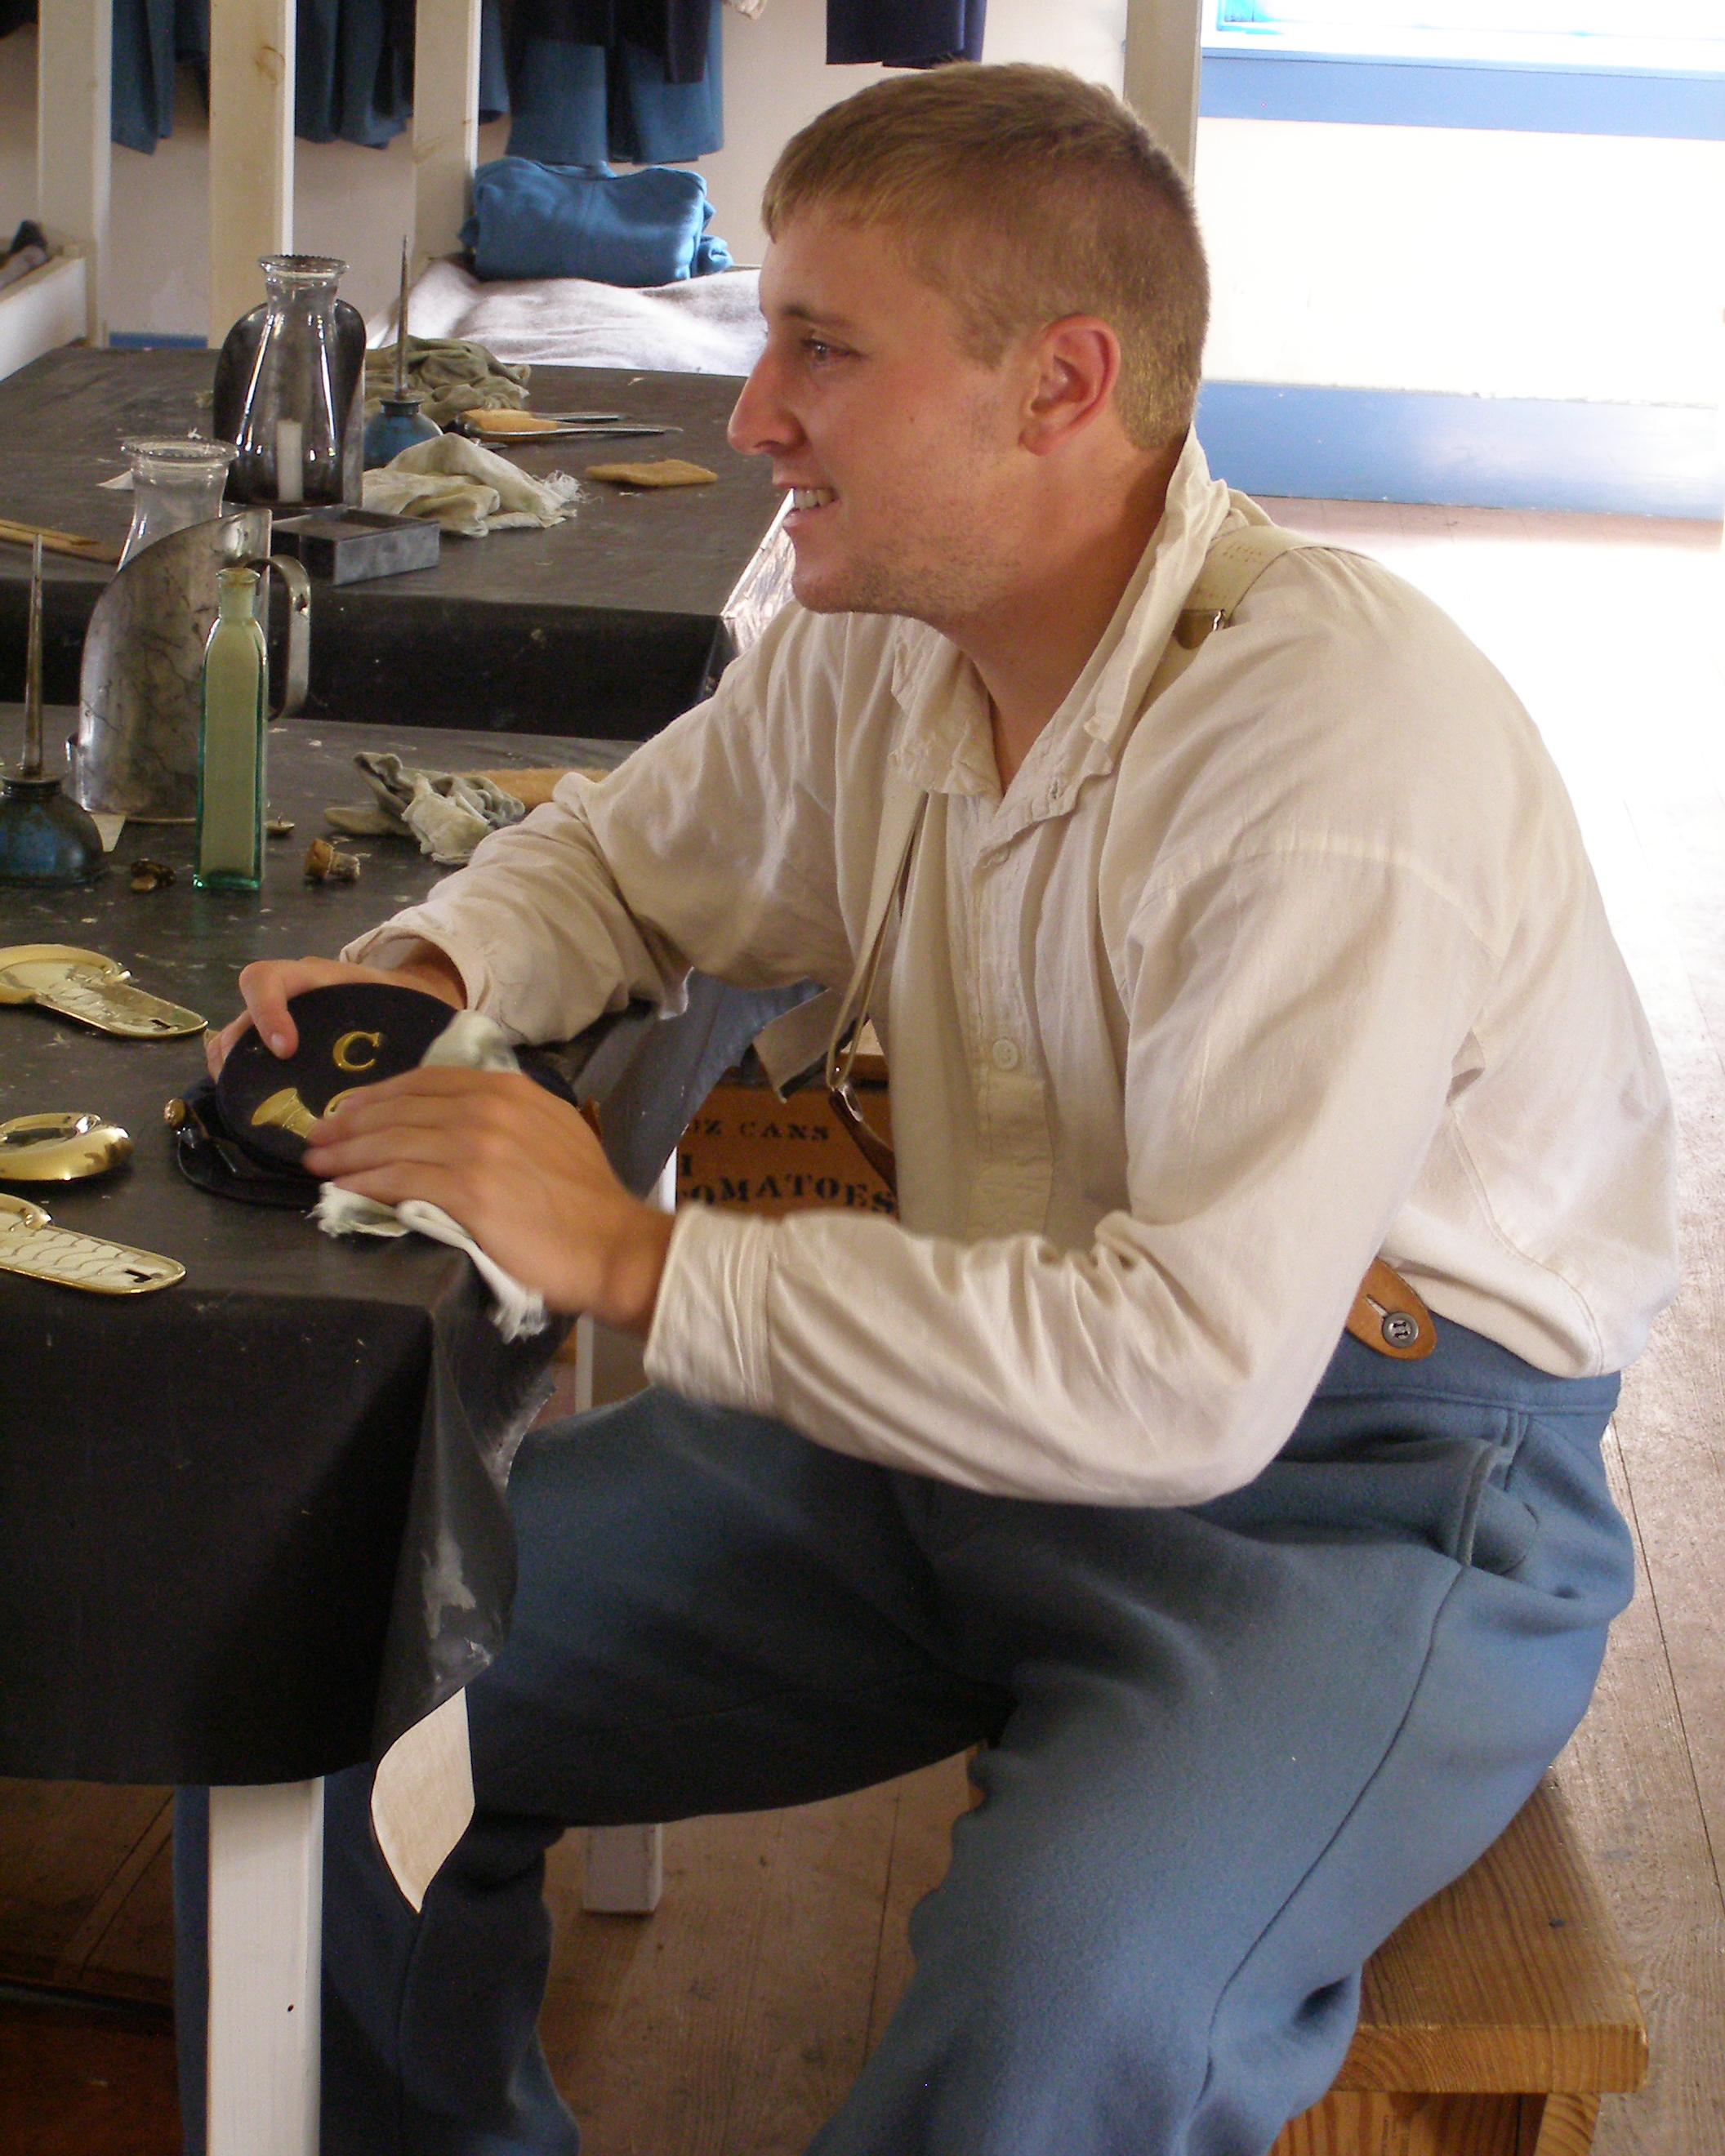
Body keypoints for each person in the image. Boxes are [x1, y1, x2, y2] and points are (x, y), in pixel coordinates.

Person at [185, 62, 1677, 2156]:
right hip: (966, 1388)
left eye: (824, 347)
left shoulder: (1334, 759)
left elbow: (1184, 1384)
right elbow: (630, 858)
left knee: (1059, 2018)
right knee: (333, 1716)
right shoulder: (888, 635)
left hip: (1360, 1488)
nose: (752, 415)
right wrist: (433, 975)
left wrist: (629, 1256)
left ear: (1062, 384)